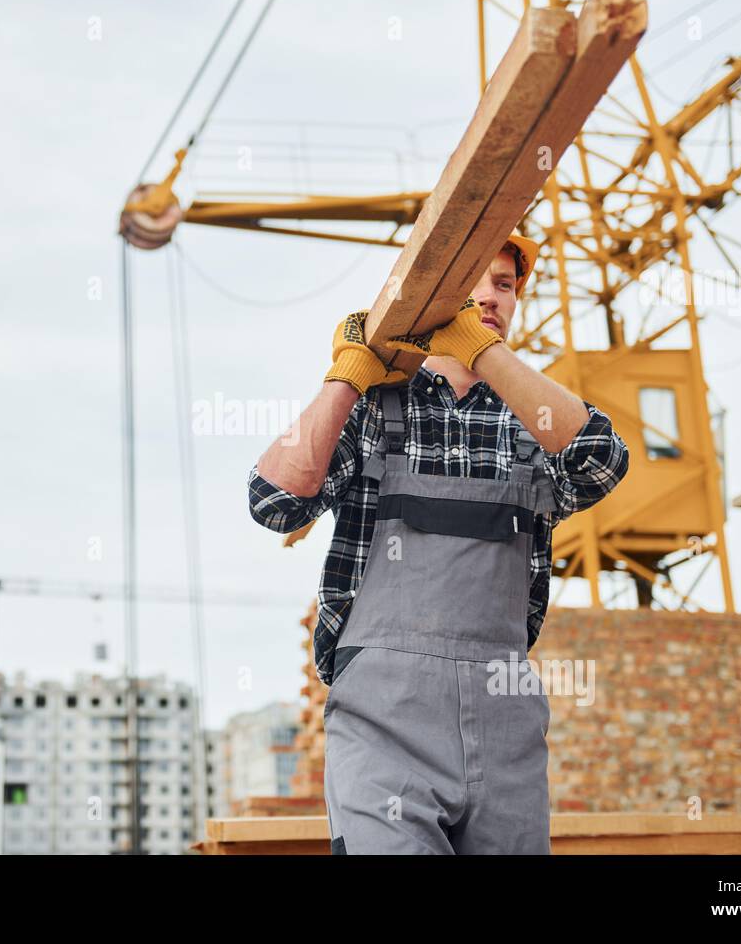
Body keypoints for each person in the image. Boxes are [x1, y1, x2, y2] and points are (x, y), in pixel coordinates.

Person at [246, 234, 630, 854]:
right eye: (472, 283)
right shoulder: (375, 410)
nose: (489, 297)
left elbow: (600, 463)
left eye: (504, 285)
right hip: (384, 722)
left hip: (504, 724)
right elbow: (275, 500)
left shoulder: (533, 421)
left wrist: (486, 356)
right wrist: (346, 378)